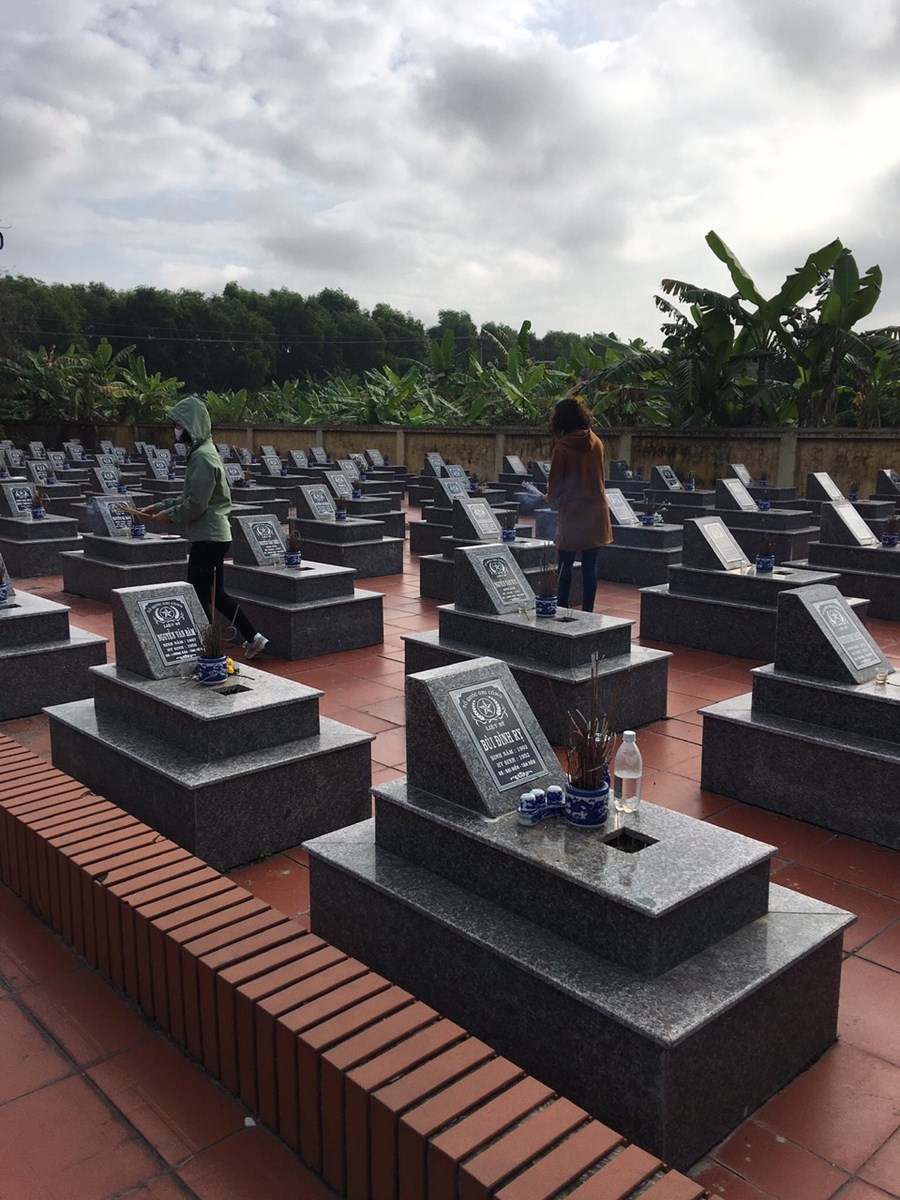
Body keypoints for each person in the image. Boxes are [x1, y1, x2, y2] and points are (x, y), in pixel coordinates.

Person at [138, 395, 269, 658]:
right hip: (212, 535)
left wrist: (170, 516)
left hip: (208, 537)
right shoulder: (203, 452)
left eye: (179, 425)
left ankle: (207, 648)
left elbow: (197, 504)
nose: (176, 430)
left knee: (200, 594)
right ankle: (251, 638)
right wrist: (160, 507)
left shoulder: (202, 457)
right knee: (214, 593)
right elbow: (189, 496)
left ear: (192, 425)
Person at [544, 395, 611, 612]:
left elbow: (555, 486)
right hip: (597, 512)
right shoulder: (597, 442)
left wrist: (548, 497)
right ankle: (589, 612)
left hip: (573, 513)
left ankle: (562, 608)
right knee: (590, 565)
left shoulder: (563, 447)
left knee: (565, 564)